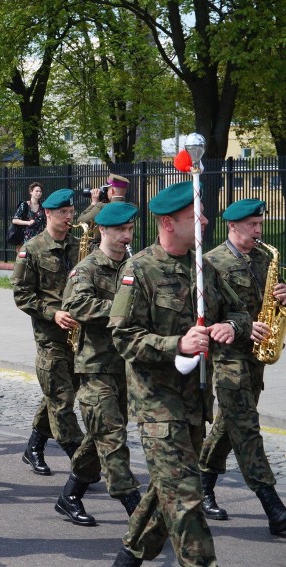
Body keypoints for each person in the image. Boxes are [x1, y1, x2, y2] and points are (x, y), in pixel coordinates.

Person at [108, 181, 252, 567]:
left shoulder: (203, 265)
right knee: (187, 499)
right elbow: (123, 338)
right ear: (169, 224)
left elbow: (239, 313)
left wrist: (231, 328)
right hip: (158, 405)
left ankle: (127, 558)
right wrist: (177, 345)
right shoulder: (139, 269)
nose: (205, 221)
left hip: (194, 404)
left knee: (164, 494)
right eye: (195, 217)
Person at [197, 198, 286, 535]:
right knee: (246, 425)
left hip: (256, 355)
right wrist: (244, 326)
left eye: (260, 224)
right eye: (252, 225)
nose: (259, 231)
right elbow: (208, 317)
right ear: (232, 226)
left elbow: (269, 301)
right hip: (227, 355)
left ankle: (203, 483)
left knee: (230, 422)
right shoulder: (212, 263)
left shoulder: (264, 256)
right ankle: (273, 506)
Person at [57, 202, 141, 527]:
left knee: (99, 435)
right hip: (95, 367)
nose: (126, 236)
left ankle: (70, 495)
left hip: (125, 365)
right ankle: (137, 512)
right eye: (120, 230)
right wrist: (121, 307)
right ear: (103, 230)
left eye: (130, 229)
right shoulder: (88, 268)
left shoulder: (135, 265)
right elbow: (76, 304)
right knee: (113, 438)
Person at [12, 188, 83, 476]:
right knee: (62, 400)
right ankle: (82, 461)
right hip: (49, 336)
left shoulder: (80, 245)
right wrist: (53, 313)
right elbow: (21, 295)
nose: (69, 217)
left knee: (57, 394)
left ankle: (33, 447)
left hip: (78, 335)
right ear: (48, 214)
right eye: (63, 213)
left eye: (71, 212)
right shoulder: (32, 249)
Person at [76, 174, 131, 250]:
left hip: (103, 251)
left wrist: (94, 203)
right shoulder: (131, 208)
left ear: (111, 191)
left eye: (107, 190)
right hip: (123, 249)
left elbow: (81, 221)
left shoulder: (101, 207)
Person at [11, 181, 46, 248]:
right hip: (27, 238)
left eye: (40, 191)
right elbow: (15, 220)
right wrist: (28, 222)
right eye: (36, 191)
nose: (39, 193)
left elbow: (45, 222)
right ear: (31, 192)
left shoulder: (42, 206)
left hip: (40, 238)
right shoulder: (25, 205)